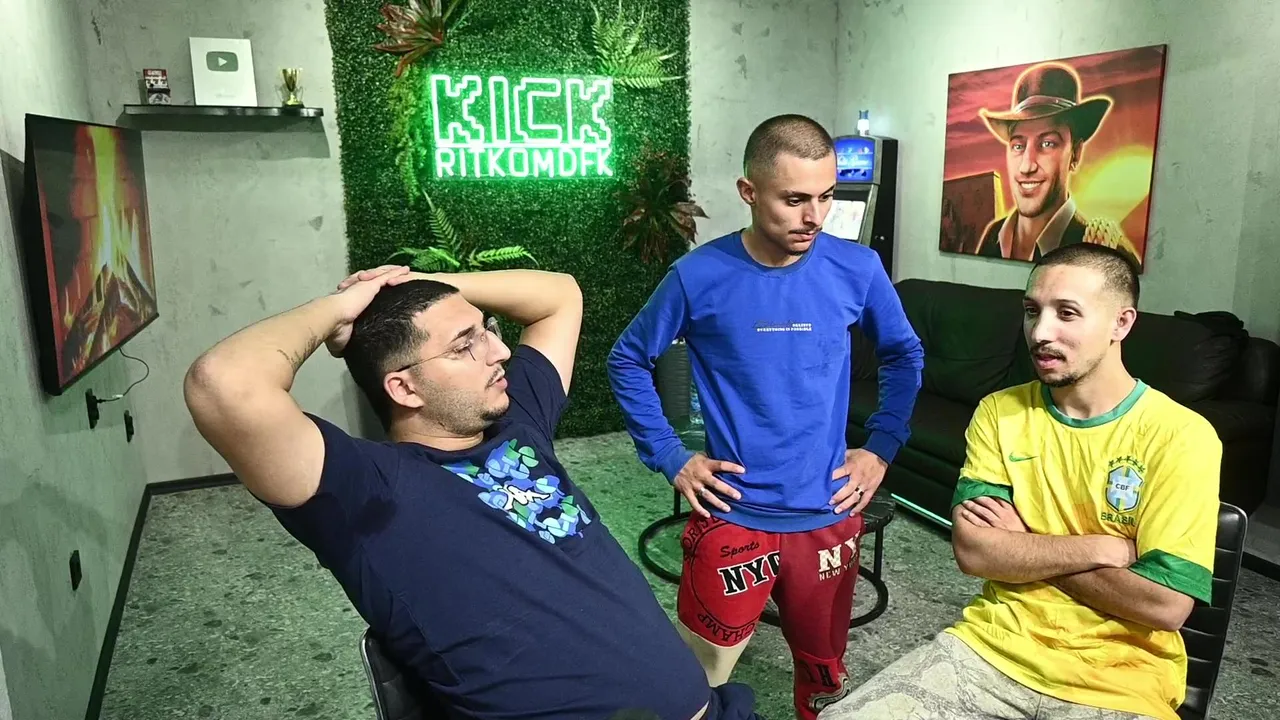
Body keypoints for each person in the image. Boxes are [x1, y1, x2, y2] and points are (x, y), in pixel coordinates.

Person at [183, 265, 763, 720]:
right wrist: (341, 309)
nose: (499, 351)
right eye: (465, 346)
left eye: (487, 331)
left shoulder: (516, 422)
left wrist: (417, 283)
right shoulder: (362, 490)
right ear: (404, 388)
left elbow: (559, 295)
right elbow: (222, 384)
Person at [607, 114, 925, 719]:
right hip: (733, 514)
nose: (814, 216)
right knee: (698, 677)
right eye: (795, 199)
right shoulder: (698, 275)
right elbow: (627, 358)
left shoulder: (857, 269)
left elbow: (904, 354)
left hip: (827, 512)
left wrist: (881, 446)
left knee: (824, 670)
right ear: (749, 192)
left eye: (827, 197)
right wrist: (670, 454)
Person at [820, 243, 1220, 720]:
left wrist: (1024, 545)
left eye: (1067, 313)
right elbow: (975, 552)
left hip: (1122, 681)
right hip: (989, 652)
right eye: (1032, 311)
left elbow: (1165, 605)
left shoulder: (1181, 436)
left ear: (1121, 323)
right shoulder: (999, 412)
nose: (1041, 332)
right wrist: (1098, 548)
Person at [975, 61, 1141, 265]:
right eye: (1018, 146)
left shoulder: (1106, 251)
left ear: (1075, 154)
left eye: (1047, 143)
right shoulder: (993, 236)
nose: (1027, 166)